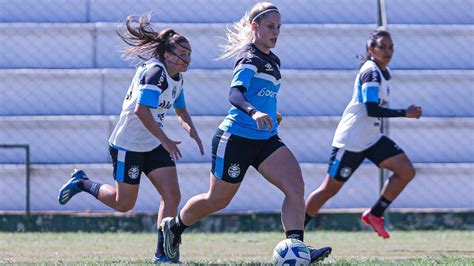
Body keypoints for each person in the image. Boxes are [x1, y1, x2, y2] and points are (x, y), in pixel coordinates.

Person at [159, 2, 331, 263]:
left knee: (295, 186)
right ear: (255, 27)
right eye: (270, 26)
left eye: (279, 27)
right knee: (217, 200)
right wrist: (254, 113)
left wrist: (271, 114)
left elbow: (262, 95)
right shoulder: (248, 58)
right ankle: (174, 228)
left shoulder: (273, 61)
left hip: (265, 138)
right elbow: (235, 94)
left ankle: (298, 251)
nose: (276, 32)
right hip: (235, 139)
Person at [57, 13, 204, 263]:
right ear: (167, 55)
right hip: (128, 145)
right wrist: (167, 140)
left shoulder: (176, 78)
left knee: (172, 196)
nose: (187, 60)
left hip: (152, 142)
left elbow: (180, 109)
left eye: (189, 54)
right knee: (123, 204)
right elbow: (141, 111)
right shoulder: (155, 73)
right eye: (182, 54)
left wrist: (192, 131)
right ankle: (81, 182)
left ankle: (163, 254)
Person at [304, 29, 422, 239]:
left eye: (390, 47)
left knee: (406, 170)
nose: (387, 51)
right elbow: (371, 108)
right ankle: (293, 232)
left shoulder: (382, 71)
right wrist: (405, 113)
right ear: (370, 49)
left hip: (370, 138)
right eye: (382, 47)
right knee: (328, 190)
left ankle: (375, 215)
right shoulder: (372, 72)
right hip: (351, 140)